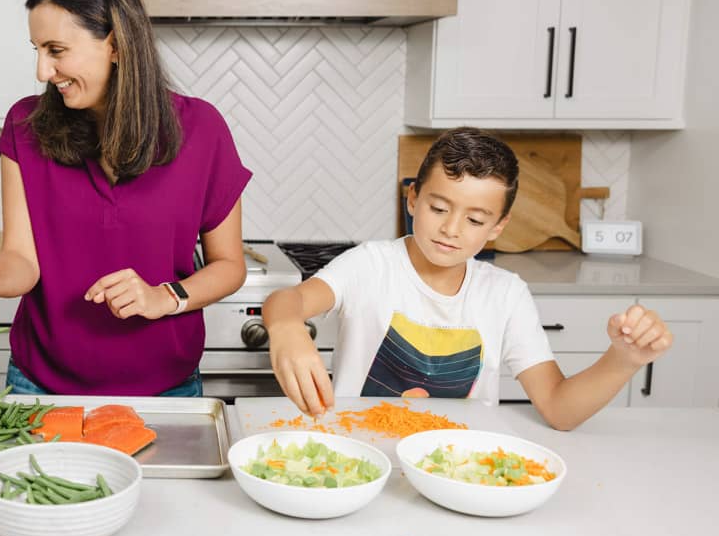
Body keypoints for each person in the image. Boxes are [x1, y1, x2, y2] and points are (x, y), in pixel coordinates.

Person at [0, 0, 251, 396]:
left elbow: (229, 265)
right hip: (39, 384)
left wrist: (165, 296)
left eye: (56, 50)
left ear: (117, 44)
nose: (42, 72)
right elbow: (22, 263)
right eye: (37, 50)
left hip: (166, 388)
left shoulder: (202, 129)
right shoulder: (25, 125)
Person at [263, 127, 673, 430]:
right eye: (439, 208)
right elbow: (287, 300)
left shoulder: (506, 294)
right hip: (361, 456)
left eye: (475, 219)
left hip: (459, 469)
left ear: (498, 226)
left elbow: (559, 409)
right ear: (413, 199)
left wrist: (623, 360)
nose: (452, 229)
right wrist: (286, 327)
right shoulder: (371, 265)